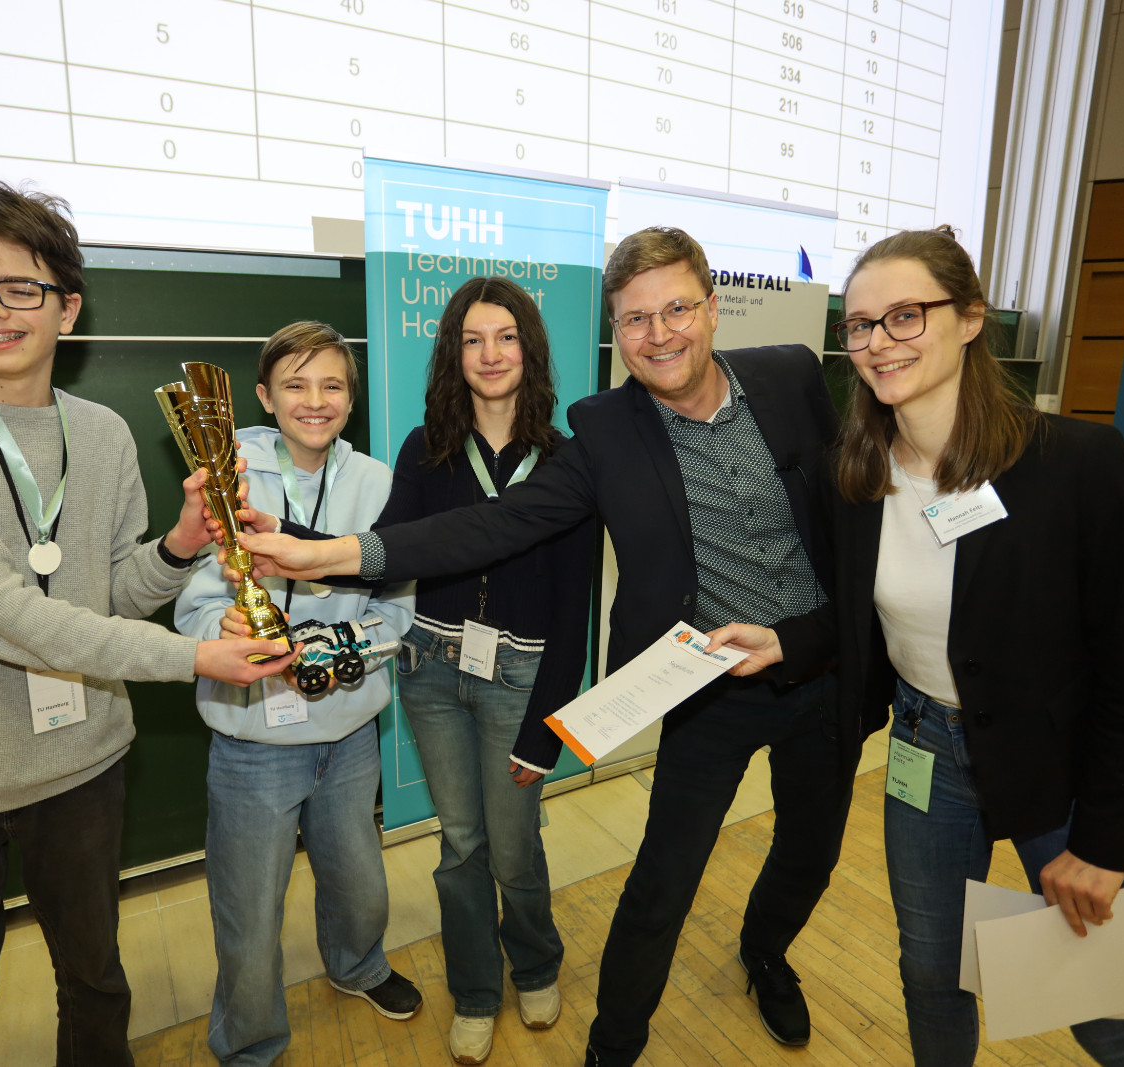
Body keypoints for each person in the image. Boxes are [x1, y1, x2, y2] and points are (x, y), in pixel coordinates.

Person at [235, 226, 852, 1067]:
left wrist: (549, 723)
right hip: (682, 685)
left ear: (712, 307)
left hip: (812, 666)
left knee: (807, 853)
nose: (659, 332)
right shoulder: (593, 434)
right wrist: (309, 548)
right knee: (629, 876)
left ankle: (756, 952)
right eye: (635, 318)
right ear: (614, 330)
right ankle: (581, 1033)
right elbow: (469, 532)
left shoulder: (785, 379)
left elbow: (852, 517)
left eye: (676, 308)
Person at [711, 226, 1124, 1066]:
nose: (878, 342)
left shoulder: (1076, 464)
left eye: (905, 316)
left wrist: (1106, 843)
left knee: (1108, 1012)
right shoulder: (855, 473)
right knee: (932, 974)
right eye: (860, 325)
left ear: (971, 318)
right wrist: (785, 639)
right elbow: (869, 620)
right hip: (924, 749)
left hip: (1061, 763)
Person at [0, 178, 293, 1067]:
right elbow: (0, 614)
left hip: (82, 763)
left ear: (67, 307)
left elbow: (108, 595)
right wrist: (196, 656)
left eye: (20, 287)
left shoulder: (106, 433)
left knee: (95, 983)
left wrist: (179, 545)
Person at [173, 322, 421, 1065]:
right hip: (254, 740)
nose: (315, 400)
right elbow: (189, 606)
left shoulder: (378, 481)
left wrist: (340, 650)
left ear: (351, 397)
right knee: (249, 905)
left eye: (332, 384)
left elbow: (397, 605)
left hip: (349, 730)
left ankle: (358, 965)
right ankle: (250, 1040)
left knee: (358, 876)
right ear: (264, 395)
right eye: (295, 384)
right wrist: (219, 626)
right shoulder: (227, 472)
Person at [372, 277, 593, 1064]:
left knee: (514, 844)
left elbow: (574, 610)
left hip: (521, 678)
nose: (490, 354)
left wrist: (545, 732)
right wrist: (292, 540)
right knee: (461, 843)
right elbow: (385, 549)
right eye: (472, 339)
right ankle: (474, 989)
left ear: (530, 350)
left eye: (505, 337)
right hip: (430, 670)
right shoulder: (425, 448)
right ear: (453, 354)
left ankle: (534, 962)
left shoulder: (568, 461)